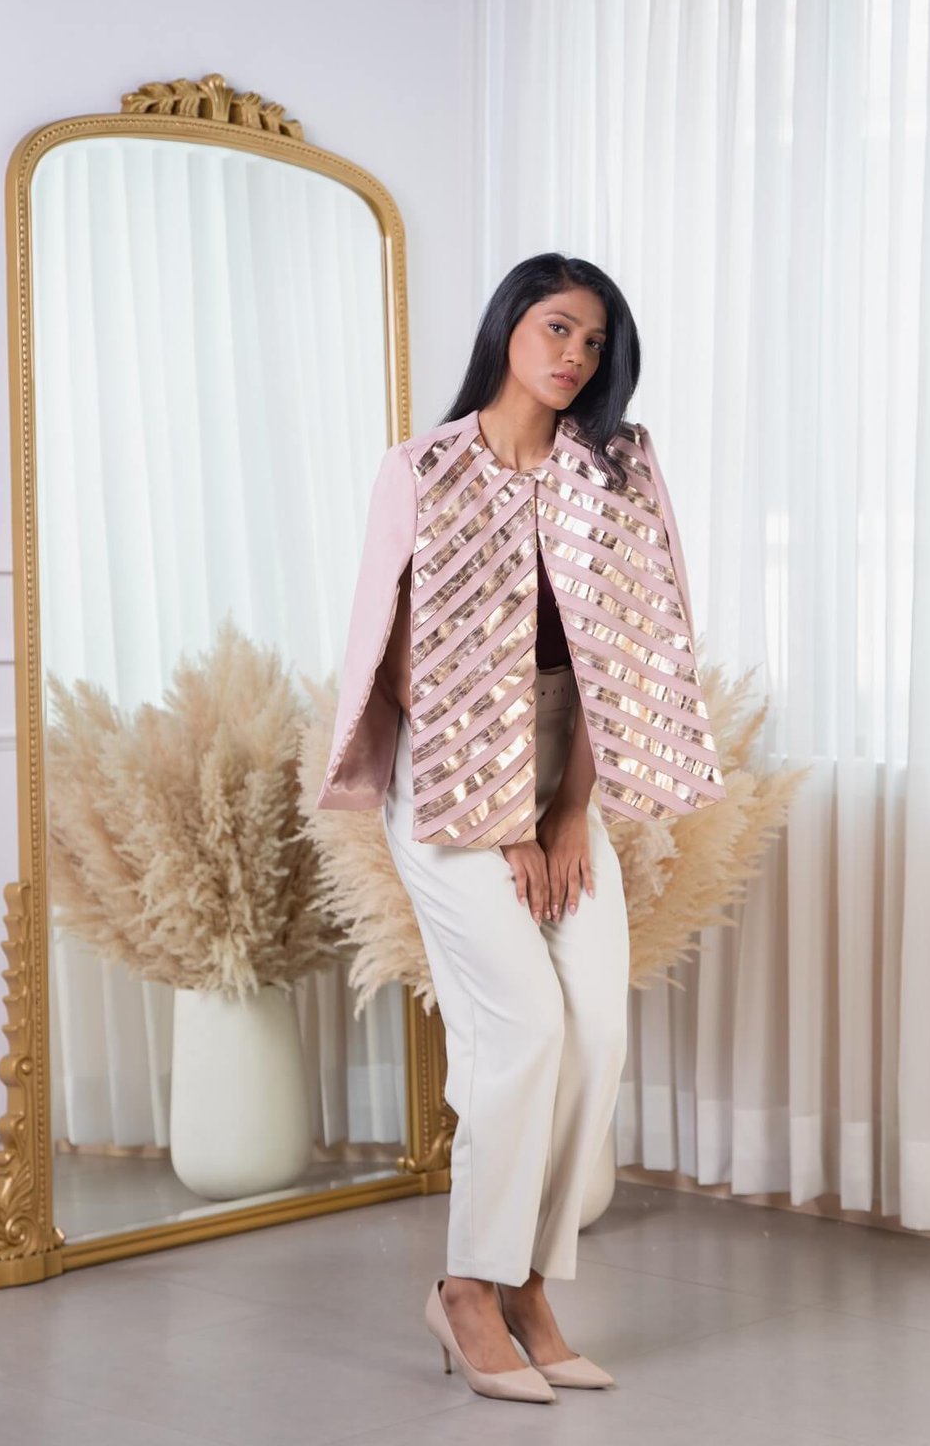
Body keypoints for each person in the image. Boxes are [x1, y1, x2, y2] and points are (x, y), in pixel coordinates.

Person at [317, 252, 726, 1404]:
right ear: (509, 325)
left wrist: (568, 809)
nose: (574, 355)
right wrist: (503, 819)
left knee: (595, 1030)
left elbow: (627, 656)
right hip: (449, 780)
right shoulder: (424, 469)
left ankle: (531, 1289)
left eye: (594, 342)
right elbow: (403, 657)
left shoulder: (619, 469)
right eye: (557, 327)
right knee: (525, 1030)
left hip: (562, 764)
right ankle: (467, 1289)